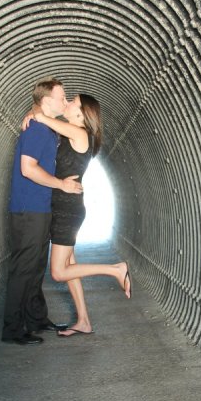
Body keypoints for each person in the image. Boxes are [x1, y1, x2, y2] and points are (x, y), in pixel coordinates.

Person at [24, 94, 131, 337]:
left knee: (59, 272)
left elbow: (42, 116)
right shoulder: (69, 133)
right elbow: (43, 120)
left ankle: (116, 269)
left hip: (67, 210)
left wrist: (35, 115)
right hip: (64, 206)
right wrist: (34, 117)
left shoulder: (80, 134)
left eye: (72, 101)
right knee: (70, 265)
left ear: (81, 114)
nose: (67, 102)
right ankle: (83, 321)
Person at [2, 78, 83, 345]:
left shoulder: (46, 129)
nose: (66, 101)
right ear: (47, 101)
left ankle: (36, 319)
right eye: (62, 97)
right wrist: (62, 184)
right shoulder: (37, 130)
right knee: (23, 269)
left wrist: (33, 113)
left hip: (40, 207)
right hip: (28, 209)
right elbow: (28, 168)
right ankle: (13, 329)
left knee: (36, 267)